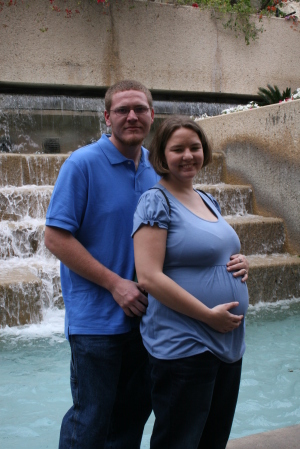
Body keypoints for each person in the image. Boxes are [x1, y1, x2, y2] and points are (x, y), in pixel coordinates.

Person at [44, 80, 160, 449]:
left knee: (132, 415)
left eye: (140, 109)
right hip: (96, 321)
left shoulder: (155, 169)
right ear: (107, 117)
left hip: (146, 318)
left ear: (152, 115)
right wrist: (115, 284)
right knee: (91, 418)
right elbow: (55, 238)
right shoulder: (83, 164)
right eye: (123, 110)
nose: (132, 116)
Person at [132, 116, 249, 449]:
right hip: (184, 343)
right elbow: (149, 276)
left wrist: (242, 261)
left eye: (194, 147)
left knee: (213, 439)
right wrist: (208, 315)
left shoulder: (206, 198)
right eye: (178, 149)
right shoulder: (156, 201)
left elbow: (215, 252)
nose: (188, 155)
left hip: (226, 344)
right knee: (179, 441)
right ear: (161, 155)